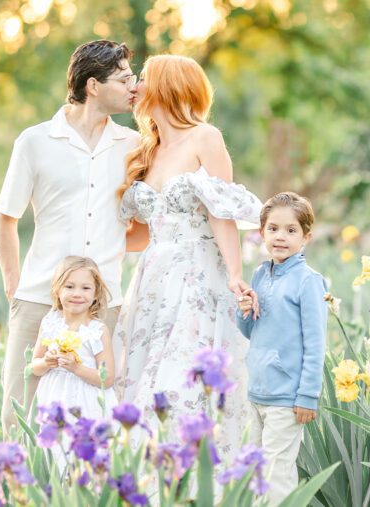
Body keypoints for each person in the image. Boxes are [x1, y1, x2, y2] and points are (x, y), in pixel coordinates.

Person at [113, 54, 262, 457]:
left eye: (142, 78)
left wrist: (234, 274)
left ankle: (199, 473)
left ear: (166, 85)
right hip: (152, 279)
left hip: (198, 274)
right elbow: (140, 237)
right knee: (143, 378)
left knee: (183, 377)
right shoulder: (147, 149)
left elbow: (222, 212)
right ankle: (155, 475)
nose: (135, 86)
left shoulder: (205, 138)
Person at [0, 40, 139, 433]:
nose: (134, 86)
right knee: (20, 412)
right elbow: (6, 217)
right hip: (40, 297)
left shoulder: (133, 144)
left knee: (97, 413)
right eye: (125, 79)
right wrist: (14, 285)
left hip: (103, 301)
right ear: (93, 86)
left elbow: (143, 224)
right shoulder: (35, 141)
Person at [236, 192, 327, 503]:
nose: (280, 237)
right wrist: (244, 310)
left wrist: (308, 396)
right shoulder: (261, 274)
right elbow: (250, 330)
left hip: (287, 397)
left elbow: (316, 344)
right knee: (256, 473)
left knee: (277, 476)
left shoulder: (308, 281)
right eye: (273, 228)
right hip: (257, 389)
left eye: (291, 230)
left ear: (306, 237)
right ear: (261, 233)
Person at [29, 256, 118, 420]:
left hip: (87, 403)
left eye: (85, 288)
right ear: (57, 290)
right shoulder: (50, 323)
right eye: (69, 286)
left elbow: (108, 378)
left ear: (96, 294)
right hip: (54, 397)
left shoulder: (97, 331)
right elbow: (34, 366)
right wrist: (46, 362)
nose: (77, 294)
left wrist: (76, 368)